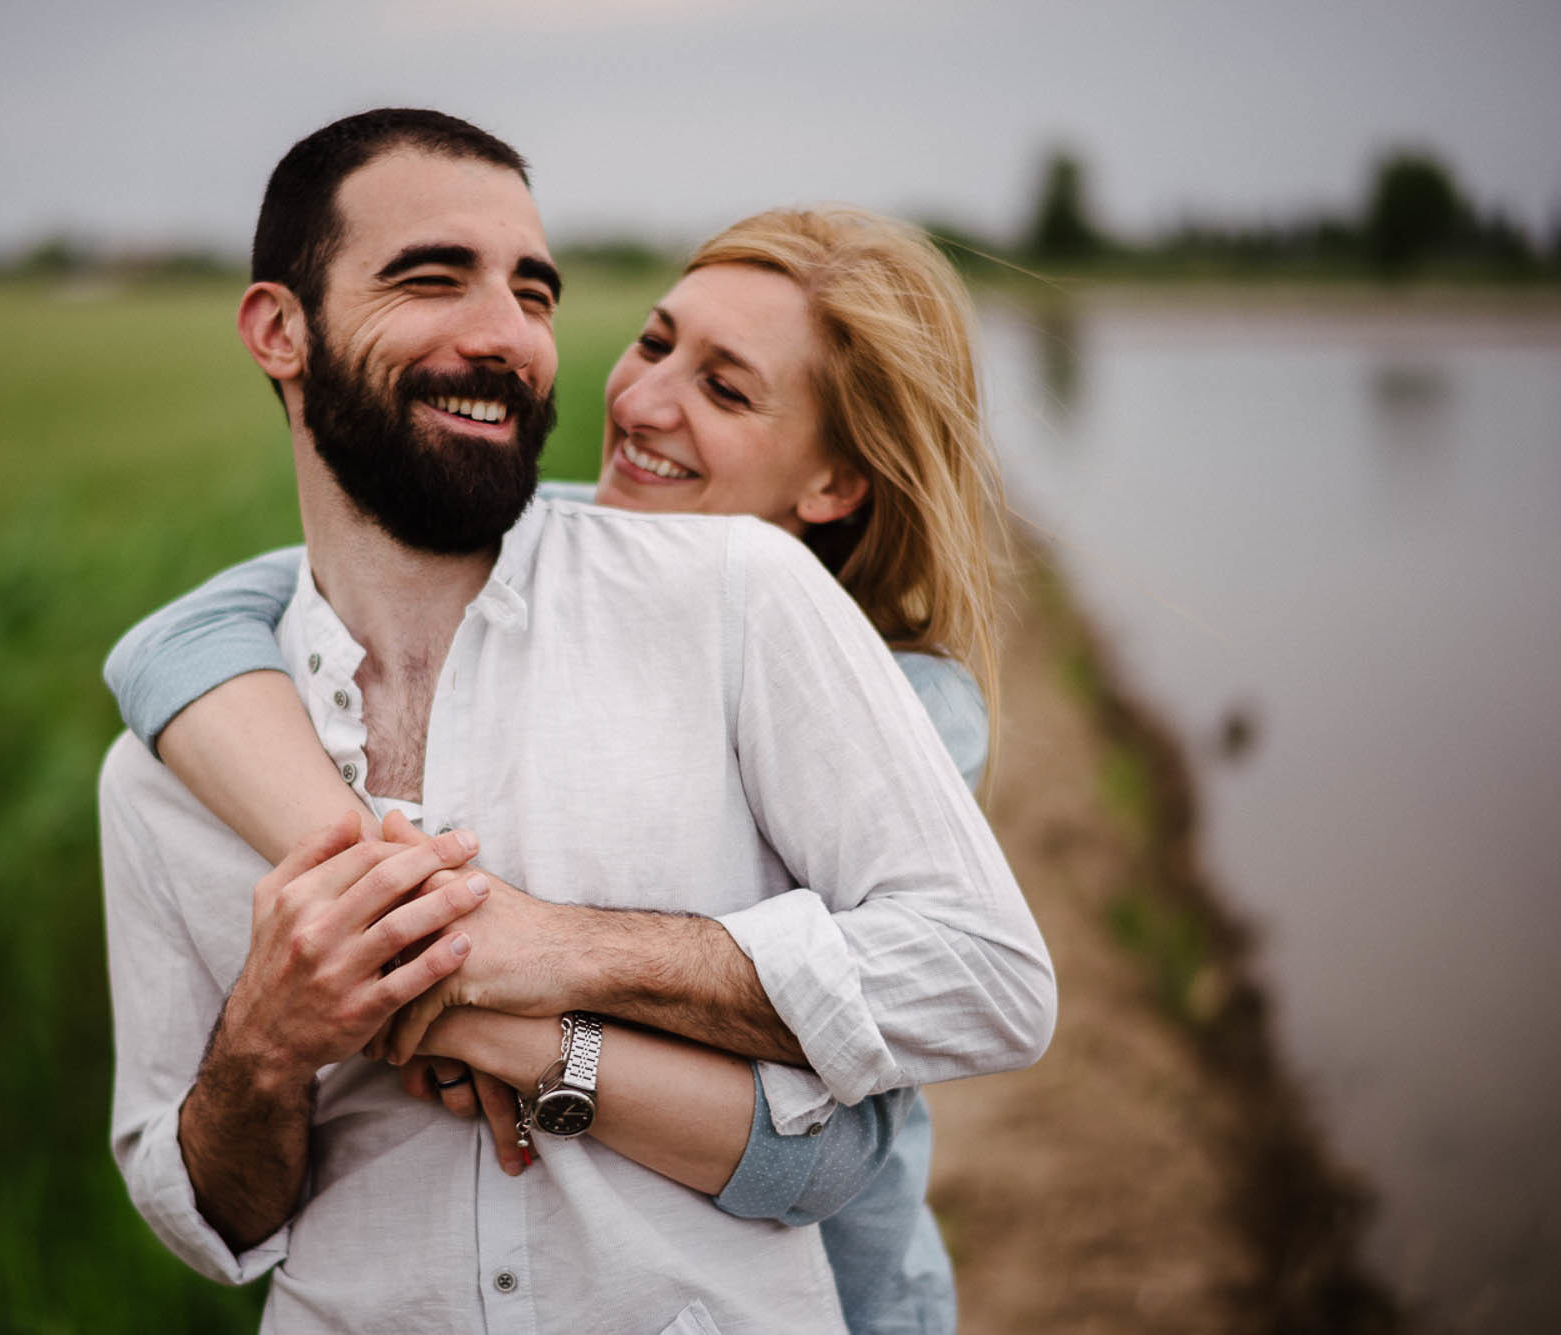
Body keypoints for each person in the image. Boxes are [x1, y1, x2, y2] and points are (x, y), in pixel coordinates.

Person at [99, 107, 1053, 1334]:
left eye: (535, 293)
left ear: (832, 487)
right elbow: (203, 1221)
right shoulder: (169, 761)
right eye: (431, 277)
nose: (512, 337)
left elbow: (861, 1128)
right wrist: (269, 1041)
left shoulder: (753, 601)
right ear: (278, 330)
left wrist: (539, 955)